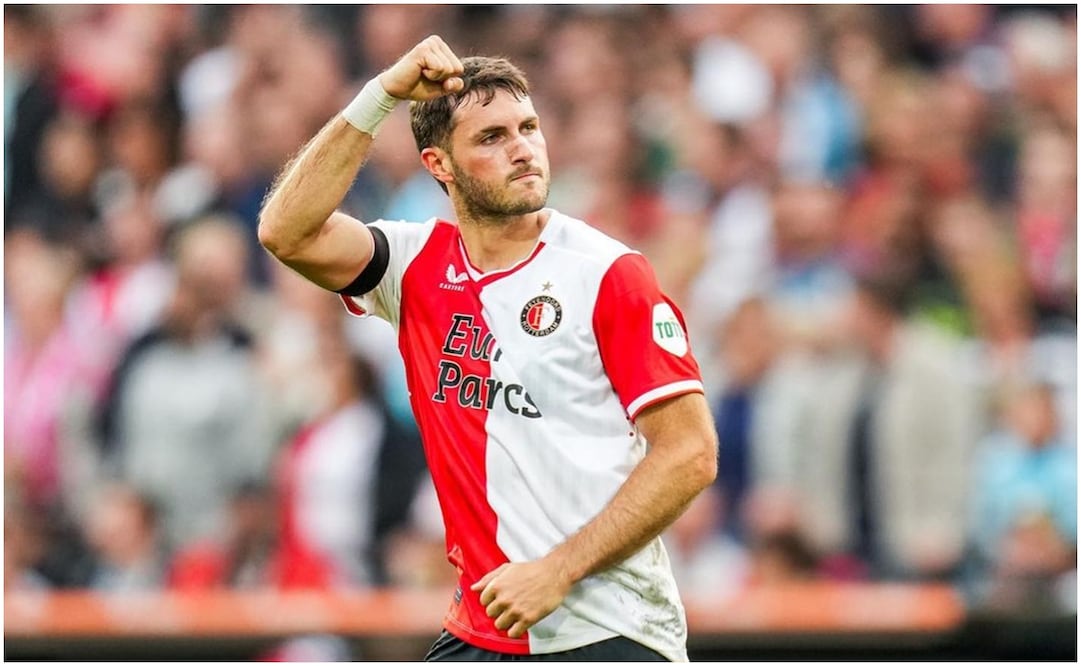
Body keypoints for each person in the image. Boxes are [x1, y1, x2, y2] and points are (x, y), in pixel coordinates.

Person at [258, 36, 718, 662]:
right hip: (483, 629)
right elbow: (286, 231)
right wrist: (380, 95)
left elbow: (690, 452)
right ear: (438, 165)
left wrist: (557, 569)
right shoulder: (413, 265)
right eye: (492, 137)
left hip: (607, 631)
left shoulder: (607, 273)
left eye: (528, 127)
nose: (523, 149)